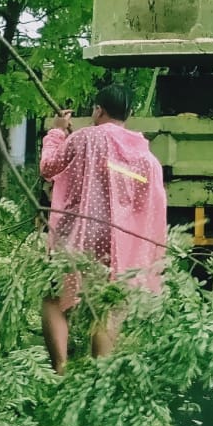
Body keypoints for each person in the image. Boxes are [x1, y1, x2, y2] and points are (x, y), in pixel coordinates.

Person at [38, 82, 167, 373]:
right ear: (129, 113)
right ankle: (99, 377)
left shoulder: (83, 139)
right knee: (110, 303)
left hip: (77, 234)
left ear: (98, 110)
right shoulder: (145, 156)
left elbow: (49, 167)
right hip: (118, 241)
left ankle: (60, 367)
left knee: (55, 298)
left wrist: (58, 132)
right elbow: (148, 201)